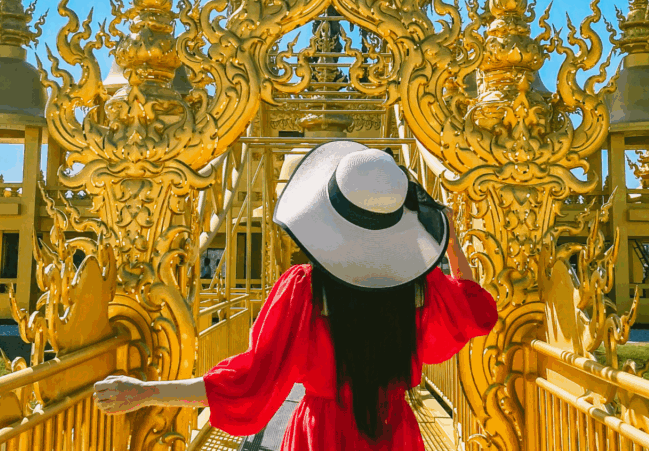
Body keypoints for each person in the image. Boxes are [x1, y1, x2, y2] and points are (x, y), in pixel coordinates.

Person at [94, 141, 497, 449]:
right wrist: (450, 238)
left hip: (321, 436)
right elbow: (477, 310)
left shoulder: (305, 289)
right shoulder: (418, 287)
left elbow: (249, 383)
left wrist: (148, 392)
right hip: (396, 434)